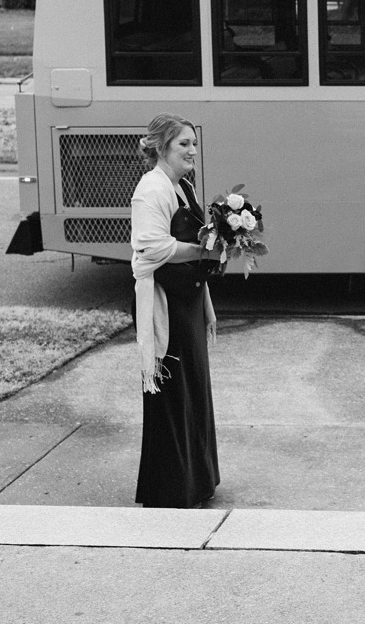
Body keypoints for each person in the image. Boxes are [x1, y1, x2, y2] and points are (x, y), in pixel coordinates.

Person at [131, 113, 220, 508]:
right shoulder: (151, 190)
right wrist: (204, 250)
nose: (192, 151)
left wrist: (207, 304)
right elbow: (151, 248)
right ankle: (172, 489)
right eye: (183, 144)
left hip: (188, 302)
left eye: (194, 143)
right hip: (165, 303)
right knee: (174, 394)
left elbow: (196, 254)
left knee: (193, 389)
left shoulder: (182, 187)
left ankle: (198, 482)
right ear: (162, 146)